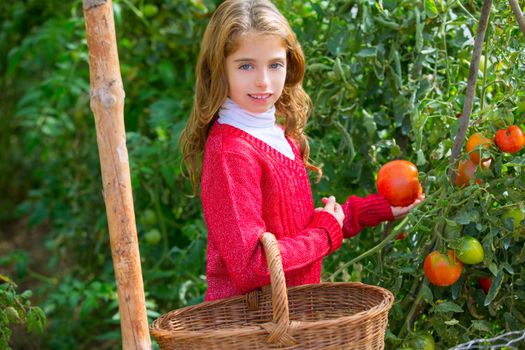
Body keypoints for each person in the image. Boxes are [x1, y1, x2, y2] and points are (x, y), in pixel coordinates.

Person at [179, 0, 424, 302]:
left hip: (285, 324)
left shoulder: (276, 136)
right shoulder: (232, 153)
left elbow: (297, 231)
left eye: (275, 64)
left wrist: (372, 210)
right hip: (248, 329)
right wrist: (324, 234)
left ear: (289, 64)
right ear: (219, 68)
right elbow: (252, 267)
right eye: (245, 65)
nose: (263, 81)